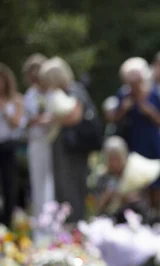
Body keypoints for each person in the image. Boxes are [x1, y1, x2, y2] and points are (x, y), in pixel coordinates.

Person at [107, 57, 160, 220]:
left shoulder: (154, 93)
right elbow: (113, 120)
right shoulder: (123, 95)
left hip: (152, 145)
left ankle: (157, 220)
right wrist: (123, 109)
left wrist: (149, 111)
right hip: (133, 145)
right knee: (135, 189)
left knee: (156, 188)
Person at [38, 57, 93, 223]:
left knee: (72, 187)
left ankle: (74, 226)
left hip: (73, 148)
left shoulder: (74, 91)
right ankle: (66, 224)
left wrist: (51, 120)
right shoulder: (65, 92)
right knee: (63, 187)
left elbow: (75, 117)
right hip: (64, 146)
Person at [22, 54, 54, 219]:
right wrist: (33, 121)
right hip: (36, 143)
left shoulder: (53, 92)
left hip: (54, 143)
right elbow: (23, 123)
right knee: (38, 184)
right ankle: (39, 224)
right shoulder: (29, 95)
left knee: (53, 183)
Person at [0, 63, 24, 228]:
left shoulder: (16, 100)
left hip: (8, 147)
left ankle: (8, 221)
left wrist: (4, 109)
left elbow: (17, 122)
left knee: (9, 184)